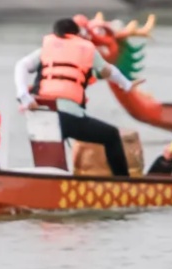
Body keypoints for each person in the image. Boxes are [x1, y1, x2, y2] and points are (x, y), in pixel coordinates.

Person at [15, 18, 139, 177]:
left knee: (48, 161)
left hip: (42, 116)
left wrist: (24, 95)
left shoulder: (47, 48)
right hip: (69, 118)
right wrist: (126, 84)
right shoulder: (86, 49)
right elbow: (109, 71)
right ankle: (123, 183)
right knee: (112, 135)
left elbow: (21, 65)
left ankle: (48, 182)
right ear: (77, 33)